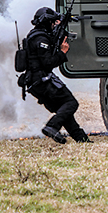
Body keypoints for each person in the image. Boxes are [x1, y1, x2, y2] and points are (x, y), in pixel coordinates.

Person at [24, 7, 90, 143]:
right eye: (53, 22)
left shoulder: (36, 35)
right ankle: (52, 126)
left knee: (63, 110)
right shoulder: (40, 38)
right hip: (42, 81)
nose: (55, 24)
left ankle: (81, 139)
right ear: (47, 21)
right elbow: (47, 62)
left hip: (36, 82)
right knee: (71, 103)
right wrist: (62, 52)